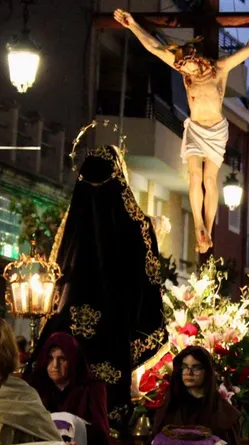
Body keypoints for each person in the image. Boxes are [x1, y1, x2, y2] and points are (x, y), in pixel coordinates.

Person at [113, 6, 249, 253]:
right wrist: (132, 25)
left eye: (187, 69)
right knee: (194, 176)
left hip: (216, 130)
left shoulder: (219, 70)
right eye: (183, 71)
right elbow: (155, 48)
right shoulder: (184, 70)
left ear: (197, 62)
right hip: (195, 128)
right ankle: (198, 225)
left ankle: (207, 229)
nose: (185, 73)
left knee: (210, 179)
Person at [35, 143, 166, 429]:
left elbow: (56, 277)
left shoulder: (72, 221)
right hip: (115, 328)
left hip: (71, 325)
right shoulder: (137, 224)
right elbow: (148, 282)